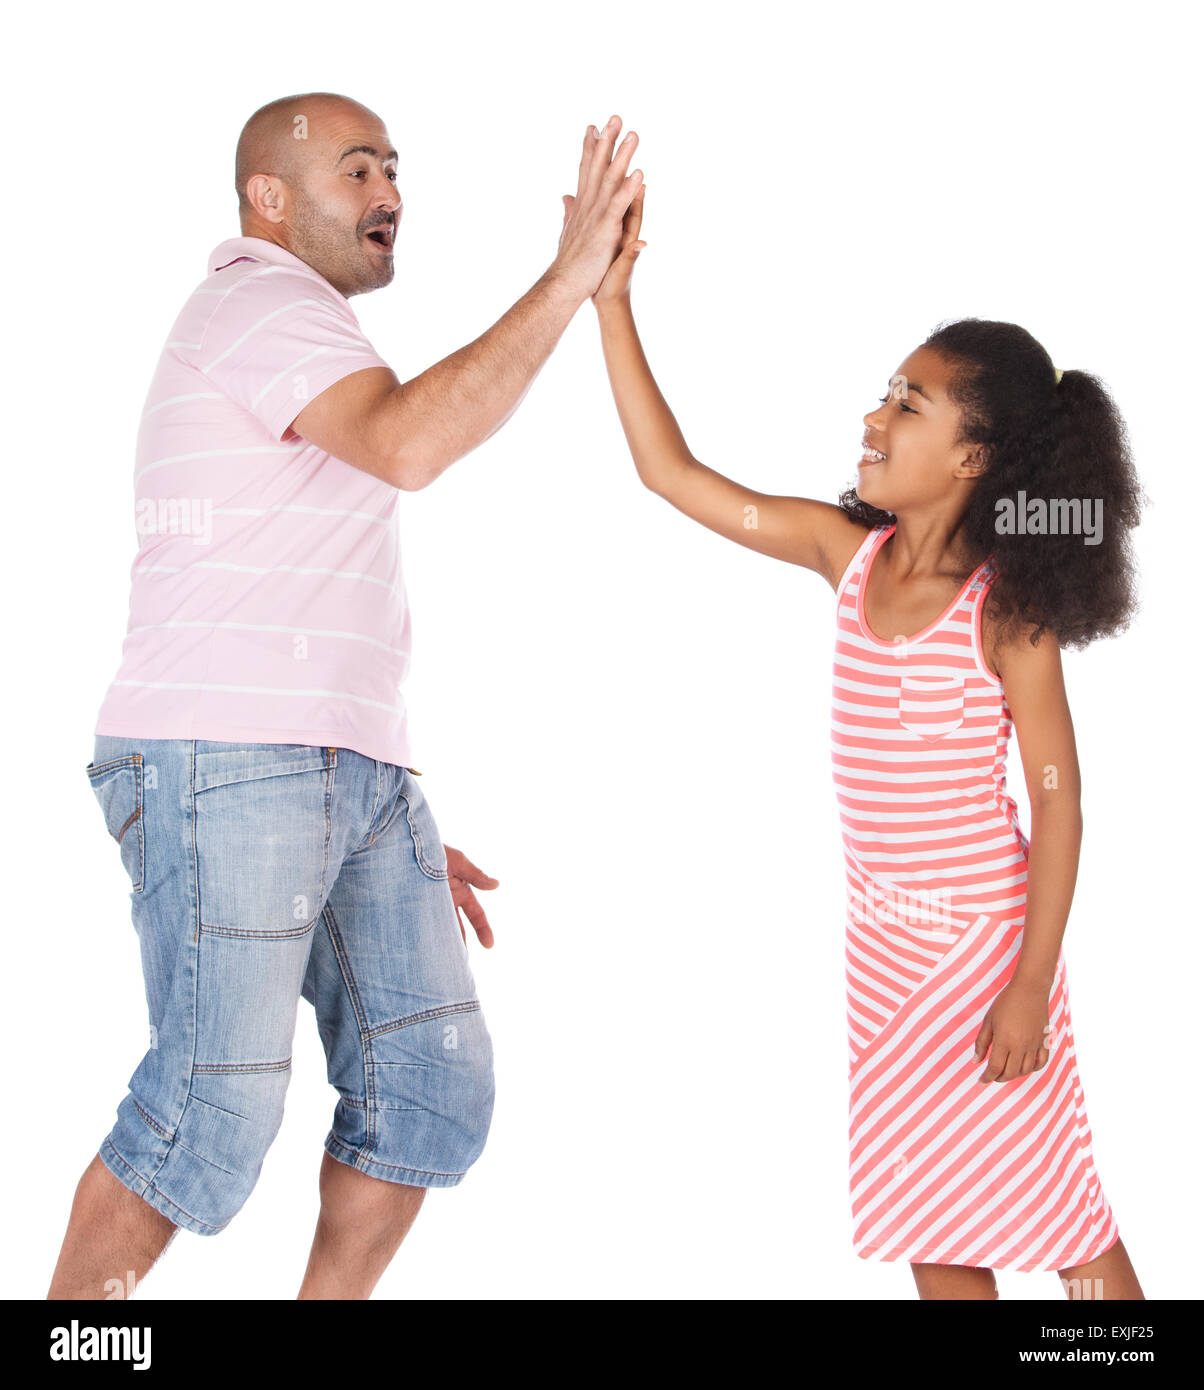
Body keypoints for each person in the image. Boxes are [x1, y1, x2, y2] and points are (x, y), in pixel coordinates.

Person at [49, 93, 643, 1301]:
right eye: (358, 167)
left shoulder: (306, 328)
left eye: (395, 168)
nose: (390, 192)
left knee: (429, 1082)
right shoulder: (258, 299)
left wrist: (366, 801)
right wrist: (572, 275)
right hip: (222, 754)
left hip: (337, 767)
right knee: (209, 1109)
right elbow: (411, 443)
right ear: (267, 196)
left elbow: (309, 568)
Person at [587, 185, 1146, 1300]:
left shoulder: (1003, 611)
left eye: (910, 404)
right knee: (930, 1214)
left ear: (974, 457)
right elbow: (673, 476)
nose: (873, 420)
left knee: (1058, 1211)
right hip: (884, 962)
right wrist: (611, 299)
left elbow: (1059, 801)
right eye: (885, 394)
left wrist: (1032, 980)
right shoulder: (841, 555)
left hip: (982, 956)